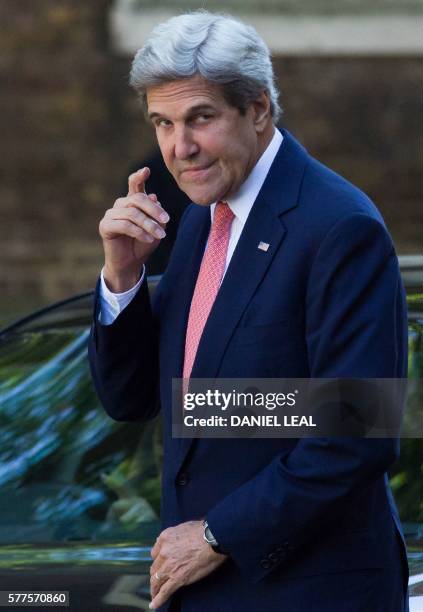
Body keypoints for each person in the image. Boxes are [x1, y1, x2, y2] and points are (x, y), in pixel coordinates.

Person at [88, 11, 409, 612]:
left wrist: (216, 534)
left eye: (200, 118)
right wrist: (123, 278)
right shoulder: (199, 219)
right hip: (203, 589)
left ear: (258, 109)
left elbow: (356, 433)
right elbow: (131, 401)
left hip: (310, 592)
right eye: (162, 122)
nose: (179, 148)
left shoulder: (339, 226)